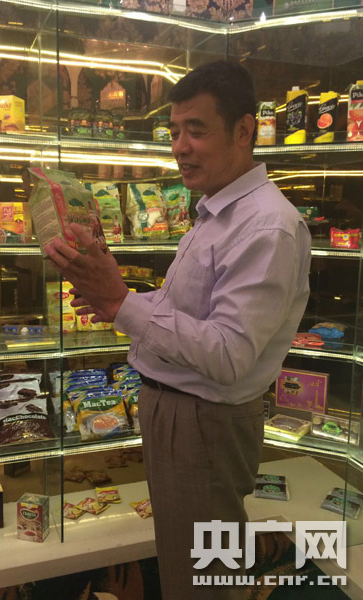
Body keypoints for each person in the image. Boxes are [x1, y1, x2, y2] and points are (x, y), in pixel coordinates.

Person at [45, 60, 311, 600]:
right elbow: (189, 310)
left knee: (200, 582)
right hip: (181, 412)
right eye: (173, 132)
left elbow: (228, 354)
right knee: (184, 563)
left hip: (203, 421)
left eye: (196, 130)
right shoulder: (217, 212)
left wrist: (121, 302)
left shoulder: (267, 226)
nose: (180, 147)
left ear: (244, 130)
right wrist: (119, 301)